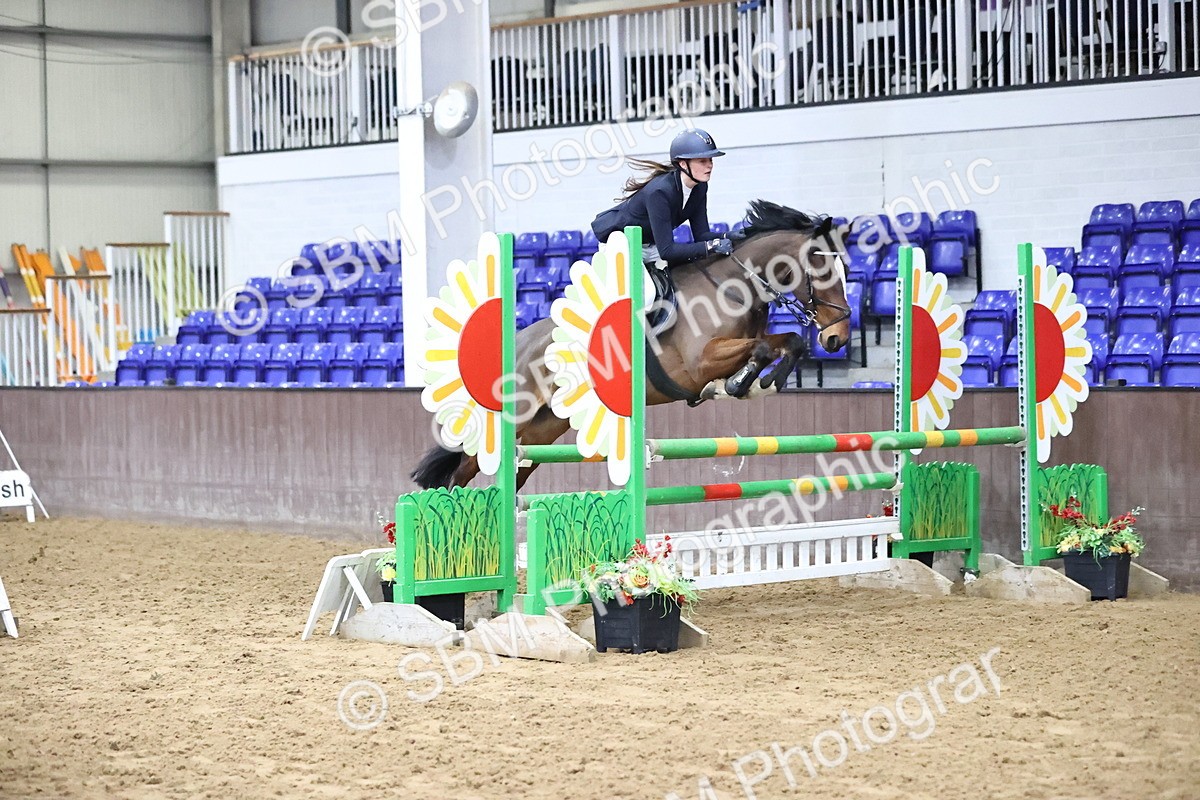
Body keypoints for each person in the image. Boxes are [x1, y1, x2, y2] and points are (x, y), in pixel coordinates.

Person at [591, 129, 735, 269]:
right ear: (683, 164)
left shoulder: (700, 187)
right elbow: (668, 251)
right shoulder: (660, 192)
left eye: (710, 160)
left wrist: (730, 235)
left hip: (652, 246)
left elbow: (701, 235)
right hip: (621, 244)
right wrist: (711, 246)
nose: (710, 165)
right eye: (702, 161)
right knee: (647, 292)